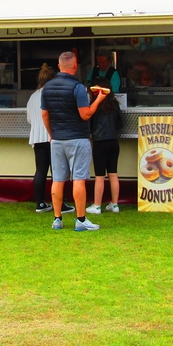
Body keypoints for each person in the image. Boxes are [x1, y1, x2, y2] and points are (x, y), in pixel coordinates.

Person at [41, 51, 107, 231]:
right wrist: (99, 99)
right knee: (79, 179)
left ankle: (57, 219)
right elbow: (85, 114)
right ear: (75, 66)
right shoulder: (77, 87)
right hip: (78, 138)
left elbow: (44, 114)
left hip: (57, 139)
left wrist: (51, 133)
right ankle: (80, 220)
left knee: (58, 179)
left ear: (59, 65)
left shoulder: (47, 88)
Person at [26, 64, 76, 215]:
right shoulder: (52, 93)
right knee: (58, 171)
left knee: (40, 170)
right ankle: (60, 204)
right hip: (53, 135)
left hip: (37, 137)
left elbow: (29, 119)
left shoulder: (32, 97)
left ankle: (40, 203)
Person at [86, 77, 124, 215]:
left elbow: (89, 124)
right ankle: (115, 204)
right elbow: (121, 123)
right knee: (113, 174)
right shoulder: (115, 104)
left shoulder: (94, 105)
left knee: (100, 175)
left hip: (99, 142)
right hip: (114, 141)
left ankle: (97, 206)